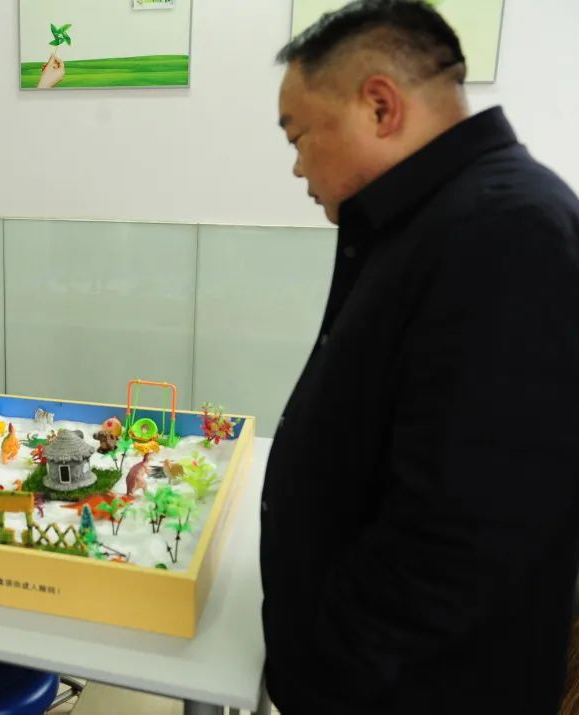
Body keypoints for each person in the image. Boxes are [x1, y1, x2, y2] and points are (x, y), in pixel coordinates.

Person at [262, 1, 579, 713]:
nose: (297, 166)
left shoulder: (508, 232)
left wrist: (327, 660)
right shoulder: (431, 222)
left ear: (379, 106)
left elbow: (466, 533)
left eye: (299, 136)